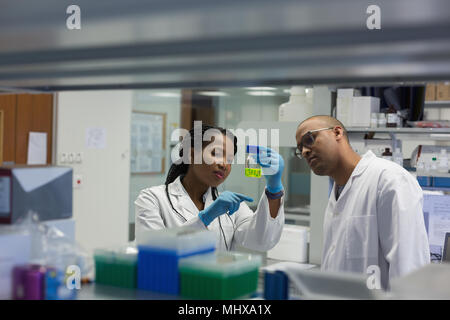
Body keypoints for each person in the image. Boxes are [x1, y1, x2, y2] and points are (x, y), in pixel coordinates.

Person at [295, 115, 430, 289]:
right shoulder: (337, 193)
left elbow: (410, 270)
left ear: (337, 132)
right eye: (300, 148)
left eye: (309, 139)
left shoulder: (389, 180)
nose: (305, 151)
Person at [135, 124, 285, 252]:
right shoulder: (152, 199)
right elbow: (153, 250)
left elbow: (261, 241)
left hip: (217, 285)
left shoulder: (232, 207)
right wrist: (205, 218)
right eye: (216, 154)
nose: (224, 165)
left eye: (230, 160)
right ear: (192, 155)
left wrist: (274, 189)